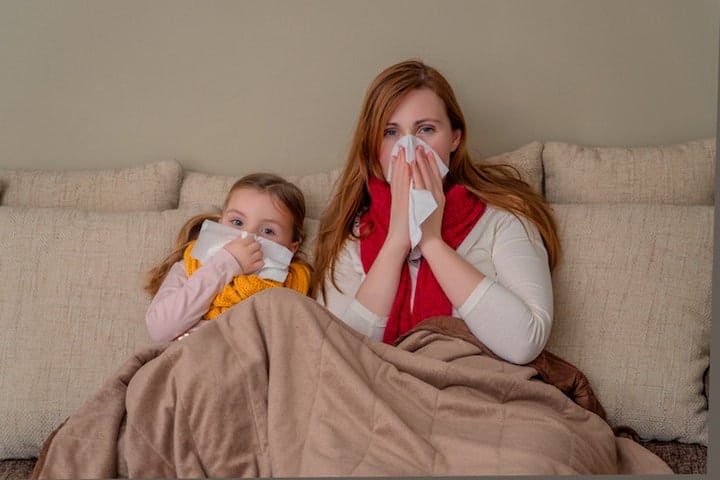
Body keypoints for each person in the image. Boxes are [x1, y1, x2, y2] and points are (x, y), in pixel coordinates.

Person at [311, 59, 560, 365]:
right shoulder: (353, 234)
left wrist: (431, 242)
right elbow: (335, 360)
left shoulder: (502, 218)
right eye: (391, 132)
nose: (409, 147)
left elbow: (525, 343)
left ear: (454, 137)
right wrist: (397, 242)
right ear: (373, 149)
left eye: (426, 129)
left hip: (472, 393)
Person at [144, 172, 311, 342]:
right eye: (237, 222)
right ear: (220, 223)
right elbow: (159, 330)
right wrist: (225, 264)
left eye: (268, 231)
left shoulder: (292, 286)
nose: (246, 238)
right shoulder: (189, 267)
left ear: (291, 248)